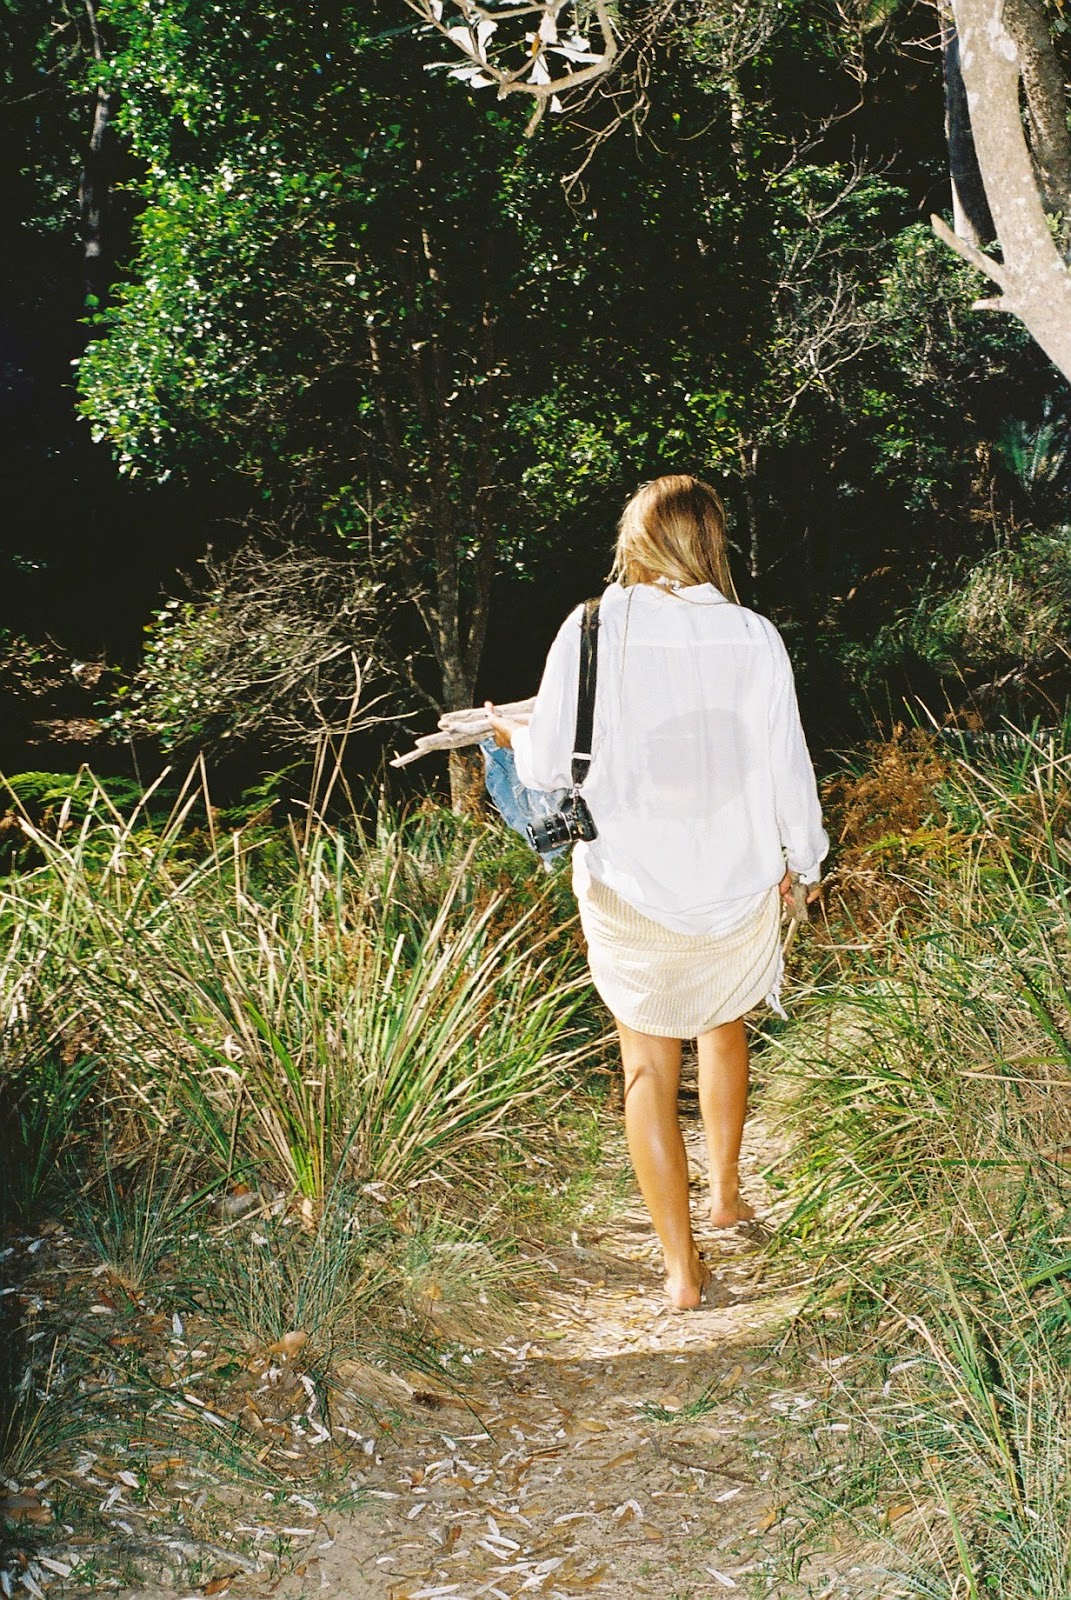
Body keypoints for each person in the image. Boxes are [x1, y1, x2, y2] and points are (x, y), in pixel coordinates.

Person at [484, 474, 828, 1310]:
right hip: (736, 879)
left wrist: (510, 732)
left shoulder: (591, 626)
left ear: (633, 539)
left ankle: (680, 1271)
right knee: (723, 1024)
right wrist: (806, 859)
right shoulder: (753, 635)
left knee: (644, 1064)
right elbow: (786, 760)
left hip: (629, 882)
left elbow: (547, 767)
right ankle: (726, 1195)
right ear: (711, 541)